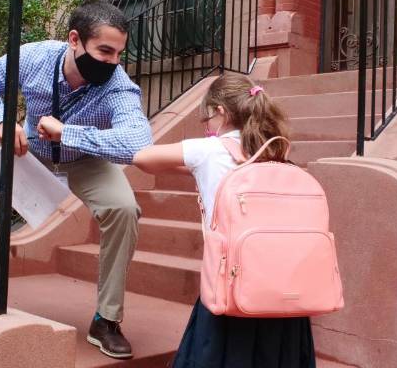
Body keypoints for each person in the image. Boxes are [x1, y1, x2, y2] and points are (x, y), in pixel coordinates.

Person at [0, 0, 152, 360]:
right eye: (105, 51)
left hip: (85, 158)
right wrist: (1, 122)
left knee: (124, 208)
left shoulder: (118, 85)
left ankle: (106, 320)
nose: (112, 62)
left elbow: (137, 143)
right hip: (28, 153)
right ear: (75, 40)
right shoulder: (36, 57)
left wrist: (69, 133)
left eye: (118, 53)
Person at [132, 73, 316, 368]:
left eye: (206, 119)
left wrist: (194, 165)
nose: (206, 127)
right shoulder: (277, 152)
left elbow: (142, 157)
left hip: (232, 292)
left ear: (220, 112)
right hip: (285, 294)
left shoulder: (207, 150)